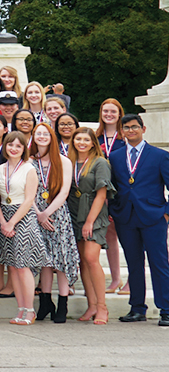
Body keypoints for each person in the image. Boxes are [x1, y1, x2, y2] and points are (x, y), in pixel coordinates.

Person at [108, 114, 169, 325]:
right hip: (126, 217)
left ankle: (166, 309)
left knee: (159, 263)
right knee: (134, 264)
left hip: (153, 216)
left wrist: (166, 212)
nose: (131, 131)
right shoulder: (115, 157)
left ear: (143, 129)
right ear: (122, 131)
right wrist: (115, 210)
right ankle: (137, 308)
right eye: (126, 128)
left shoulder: (160, 156)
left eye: (135, 127)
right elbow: (113, 187)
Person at [28, 121, 80, 323]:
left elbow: (64, 192)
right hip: (35, 213)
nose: (41, 137)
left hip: (57, 214)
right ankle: (45, 302)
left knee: (61, 260)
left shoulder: (64, 161)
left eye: (45, 134)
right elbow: (27, 193)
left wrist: (46, 212)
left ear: (52, 137)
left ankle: (63, 304)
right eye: (38, 133)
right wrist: (38, 213)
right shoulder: (29, 162)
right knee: (45, 261)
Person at [0, 133, 45, 325]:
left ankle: (30, 310)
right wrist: (2, 221)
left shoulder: (29, 169)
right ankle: (20, 309)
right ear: (5, 146)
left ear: (24, 148)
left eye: (18, 146)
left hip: (22, 217)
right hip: (3, 216)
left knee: (23, 266)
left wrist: (12, 222)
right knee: (12, 267)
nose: (14, 148)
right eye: (10, 145)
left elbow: (29, 199)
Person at [68, 128, 112, 325]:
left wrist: (89, 222)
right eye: (78, 139)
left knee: (91, 258)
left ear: (93, 142)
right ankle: (91, 304)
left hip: (93, 214)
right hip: (74, 212)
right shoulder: (68, 162)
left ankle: (102, 306)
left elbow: (102, 194)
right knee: (82, 262)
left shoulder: (100, 163)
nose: (82, 142)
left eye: (86, 139)